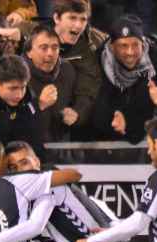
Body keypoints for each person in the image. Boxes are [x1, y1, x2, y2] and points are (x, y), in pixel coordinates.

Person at [92, 14, 157, 144]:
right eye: (123, 45)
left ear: (143, 42)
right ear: (112, 46)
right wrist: (113, 118)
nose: (130, 52)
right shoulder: (99, 60)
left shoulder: (155, 56)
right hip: (104, 142)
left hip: (145, 142)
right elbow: (93, 104)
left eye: (135, 45)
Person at [52, 0, 107, 140]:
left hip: (79, 116)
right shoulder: (36, 37)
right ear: (56, 18)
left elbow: (89, 84)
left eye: (83, 19)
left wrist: (78, 112)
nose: (78, 25)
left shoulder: (93, 44)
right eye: (72, 18)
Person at [24, 25, 78, 142]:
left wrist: (74, 112)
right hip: (28, 147)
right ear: (29, 52)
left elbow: (76, 102)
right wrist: (39, 105)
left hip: (60, 147)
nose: (50, 53)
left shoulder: (67, 70)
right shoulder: (18, 73)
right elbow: (12, 120)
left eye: (55, 48)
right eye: (44, 48)